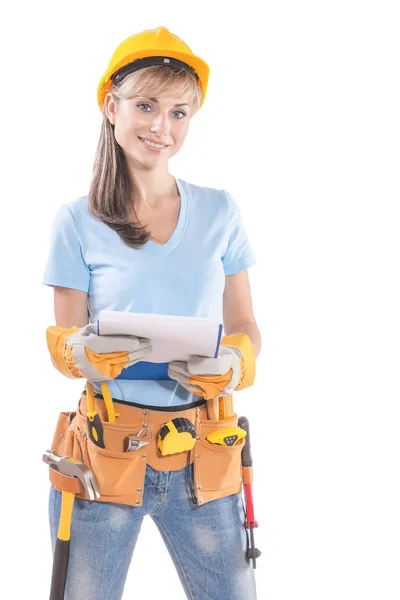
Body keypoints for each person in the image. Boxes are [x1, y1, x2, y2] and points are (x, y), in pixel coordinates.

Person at [43, 25, 262, 600]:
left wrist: (236, 364)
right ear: (111, 107)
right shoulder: (76, 221)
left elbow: (245, 326)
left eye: (179, 112)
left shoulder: (220, 212)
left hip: (204, 457)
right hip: (103, 456)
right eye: (145, 106)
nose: (161, 127)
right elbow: (66, 336)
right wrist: (77, 352)